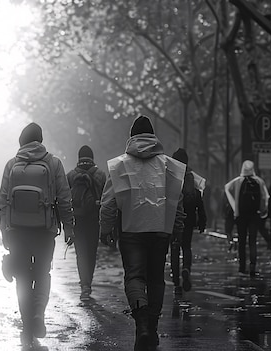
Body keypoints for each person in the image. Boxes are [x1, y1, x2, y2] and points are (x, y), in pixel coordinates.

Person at [99, 115, 186, 351]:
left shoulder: (119, 165)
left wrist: (105, 229)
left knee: (135, 276)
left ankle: (142, 325)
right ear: (153, 136)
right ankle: (153, 327)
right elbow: (177, 203)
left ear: (131, 138)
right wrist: (177, 229)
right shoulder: (170, 166)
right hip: (160, 230)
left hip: (130, 229)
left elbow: (108, 202)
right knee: (156, 278)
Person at [0, 122, 74, 348]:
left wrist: (4, 230)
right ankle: (38, 314)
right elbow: (64, 197)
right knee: (42, 273)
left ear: (21, 141)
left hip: (18, 230)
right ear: (40, 140)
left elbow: (3, 200)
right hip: (45, 230)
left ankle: (26, 325)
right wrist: (69, 226)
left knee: (22, 276)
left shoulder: (12, 164)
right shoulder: (53, 163)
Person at [66, 145, 106, 301]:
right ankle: (88, 283)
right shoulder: (101, 175)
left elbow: (64, 200)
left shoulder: (70, 175)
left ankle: (84, 285)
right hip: (94, 219)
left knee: (80, 253)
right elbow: (107, 199)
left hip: (77, 219)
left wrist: (65, 223)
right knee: (91, 253)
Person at [169, 148, 207, 295]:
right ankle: (186, 268)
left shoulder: (170, 177)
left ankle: (176, 283)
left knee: (174, 248)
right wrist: (202, 221)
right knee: (186, 247)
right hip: (189, 218)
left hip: (173, 218)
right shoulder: (192, 178)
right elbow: (200, 202)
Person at [224, 160, 269, 277]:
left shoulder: (238, 181)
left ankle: (242, 267)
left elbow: (226, 187)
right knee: (252, 242)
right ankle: (253, 266)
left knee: (242, 241)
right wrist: (263, 210)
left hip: (241, 216)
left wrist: (235, 207)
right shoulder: (259, 181)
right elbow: (266, 197)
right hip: (254, 215)